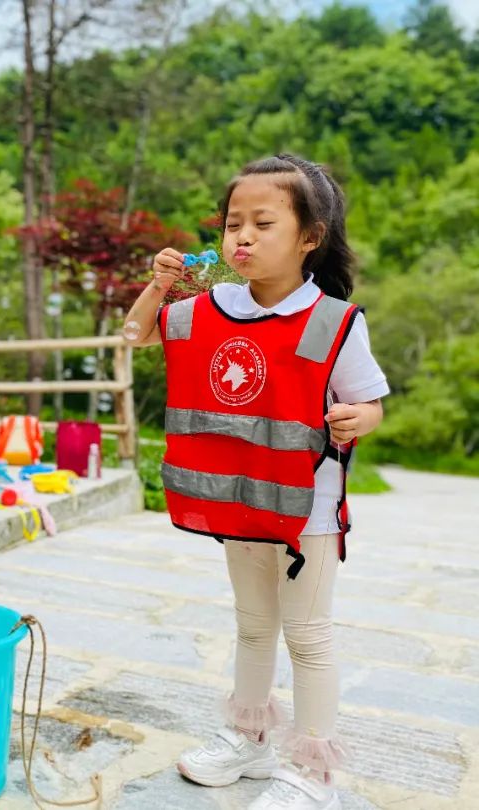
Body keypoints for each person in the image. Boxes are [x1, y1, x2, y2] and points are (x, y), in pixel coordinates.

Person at [123, 154, 388, 810]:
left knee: (307, 635)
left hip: (309, 511)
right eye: (231, 223)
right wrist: (157, 287)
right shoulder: (206, 309)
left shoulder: (334, 322)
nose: (240, 236)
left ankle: (313, 769)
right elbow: (135, 337)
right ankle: (249, 738)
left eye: (262, 223)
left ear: (309, 237)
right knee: (250, 625)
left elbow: (371, 401)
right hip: (238, 503)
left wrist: (362, 418)